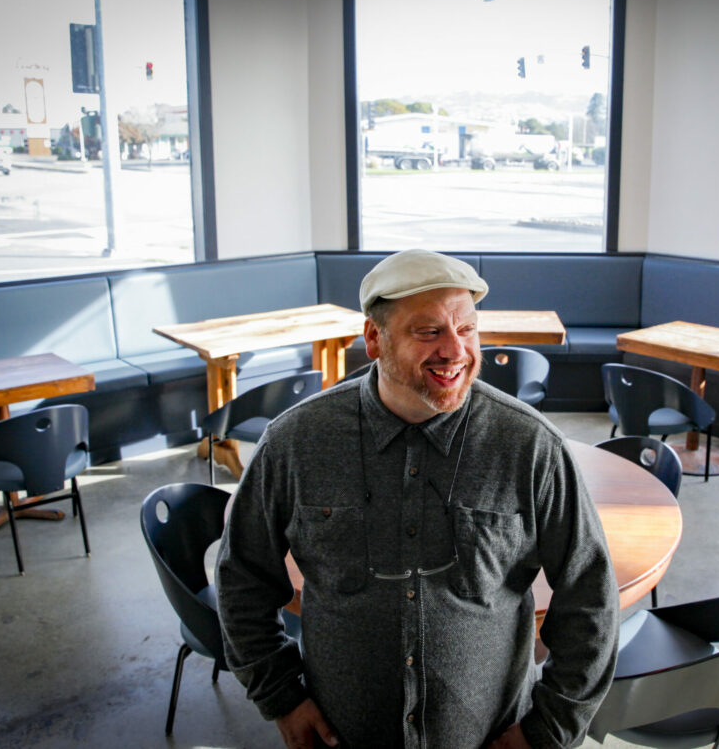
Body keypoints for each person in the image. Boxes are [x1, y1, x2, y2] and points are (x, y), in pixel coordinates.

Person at [216, 249, 618, 748]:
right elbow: (242, 577)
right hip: (342, 735)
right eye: (428, 332)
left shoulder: (530, 446)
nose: (455, 351)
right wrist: (280, 696)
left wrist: (548, 729)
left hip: (489, 736)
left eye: (467, 329)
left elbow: (590, 597)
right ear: (373, 340)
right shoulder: (295, 442)